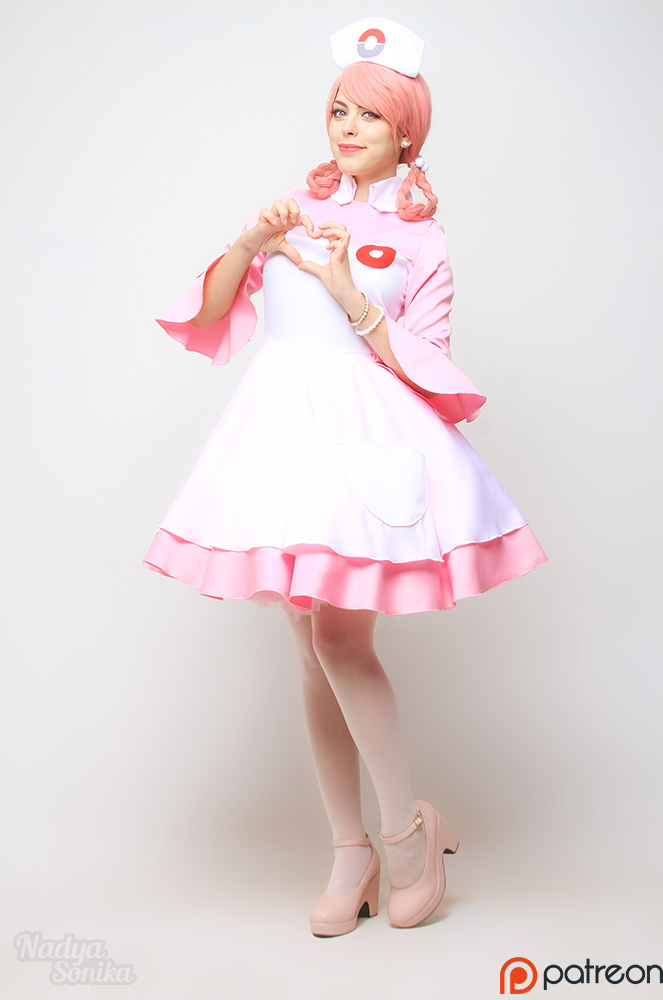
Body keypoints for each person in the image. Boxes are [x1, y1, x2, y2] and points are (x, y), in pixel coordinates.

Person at [142, 18, 547, 936]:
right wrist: (254, 240)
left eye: (368, 114)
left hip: (363, 439)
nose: (348, 127)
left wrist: (349, 293)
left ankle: (406, 834)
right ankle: (350, 852)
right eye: (338, 110)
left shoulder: (421, 239)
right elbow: (210, 310)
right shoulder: (293, 208)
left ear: (406, 129)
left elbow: (432, 369)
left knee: (338, 639)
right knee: (309, 649)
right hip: (279, 439)